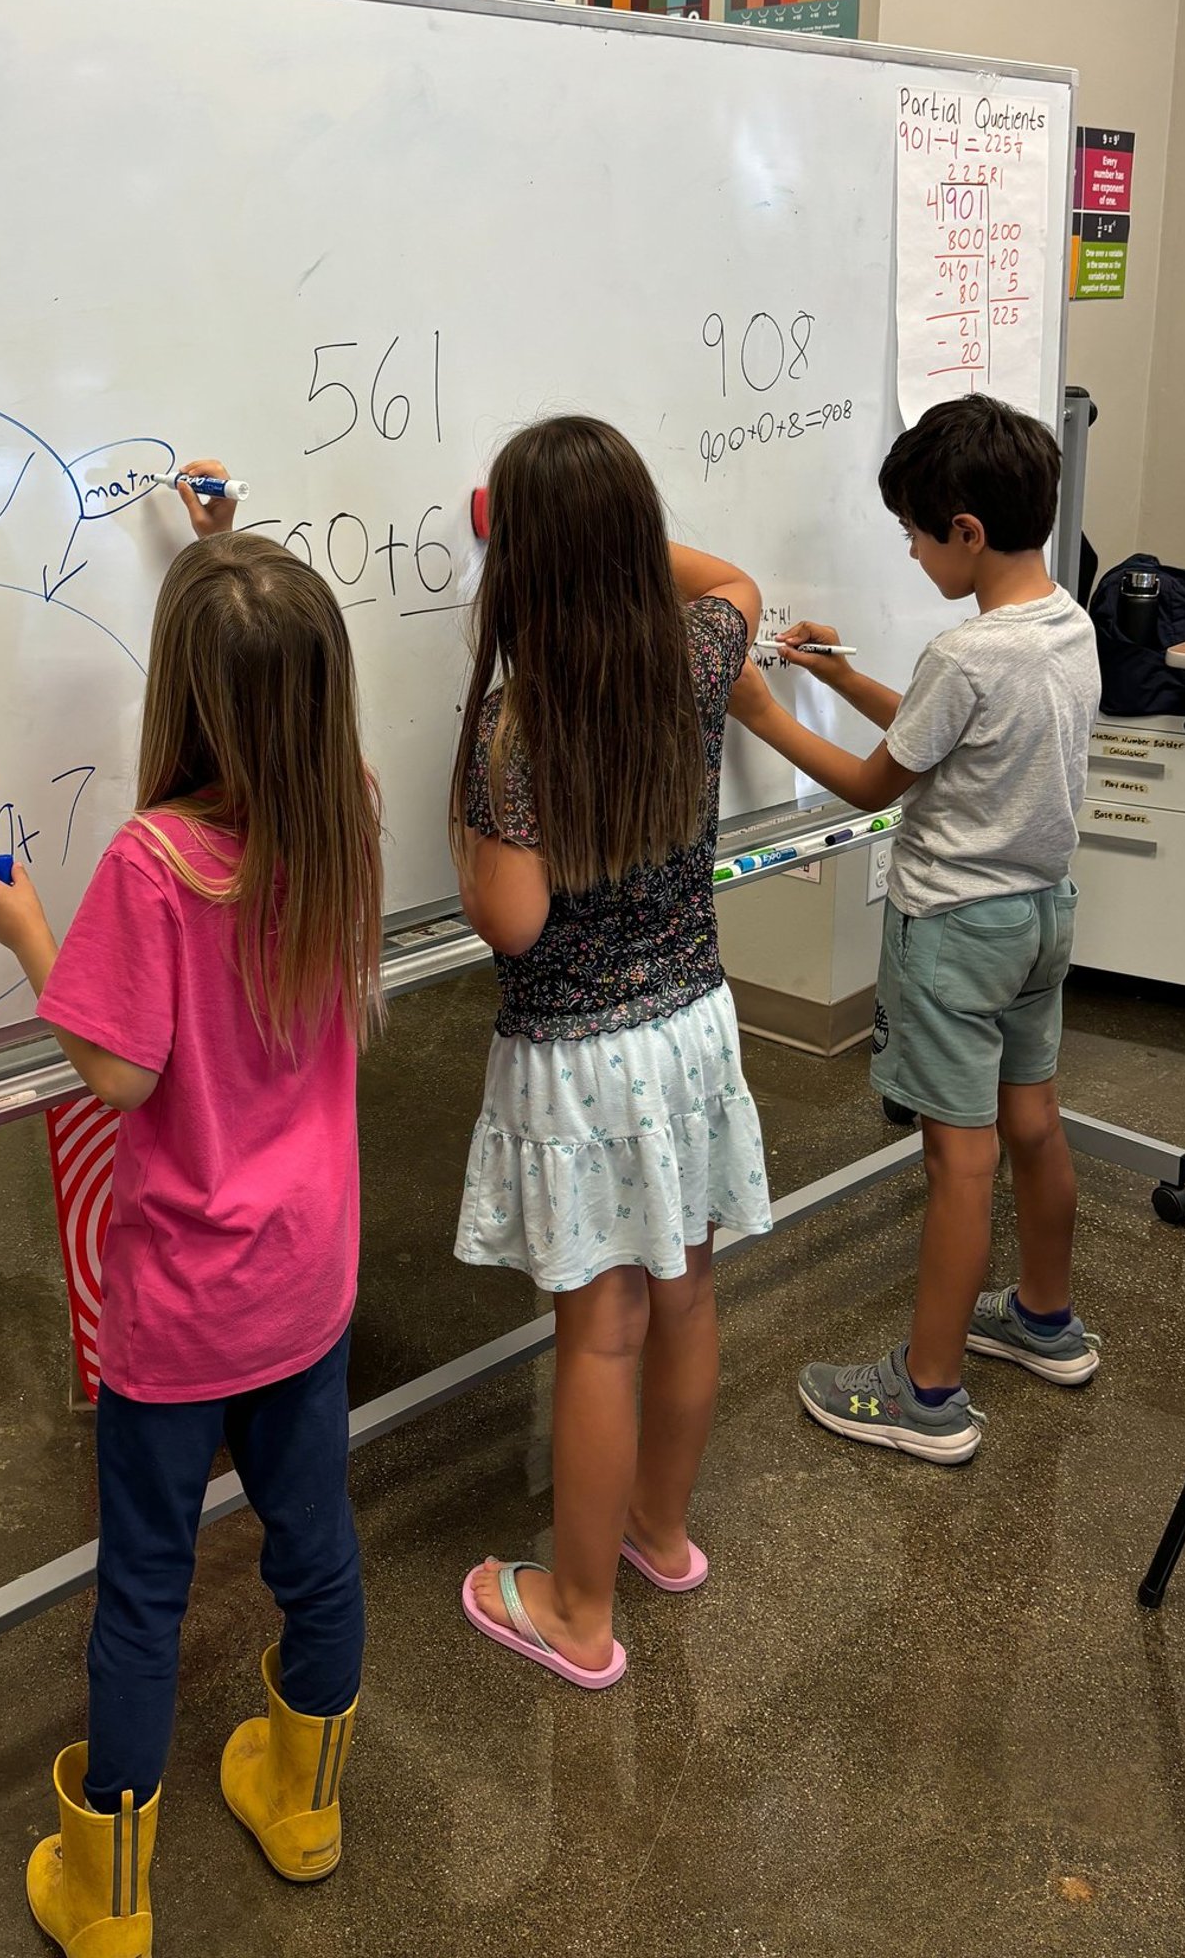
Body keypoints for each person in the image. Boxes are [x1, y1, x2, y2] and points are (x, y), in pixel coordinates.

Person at [0, 468, 384, 1956]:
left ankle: (109, 1894)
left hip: (181, 1308)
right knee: (312, 1542)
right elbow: (282, 674)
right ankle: (307, 1801)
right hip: (305, 1281)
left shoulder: (147, 870)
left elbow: (117, 1073)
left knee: (145, 1583)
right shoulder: (345, 814)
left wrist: (29, 934)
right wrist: (228, 558)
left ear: (183, 700)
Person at [450, 415, 771, 1687]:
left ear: (519, 565)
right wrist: (626, 546)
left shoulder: (519, 730)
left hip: (582, 1057)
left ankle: (578, 1614)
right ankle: (658, 1532)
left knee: (600, 1333)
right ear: (639, 545)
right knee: (684, 1291)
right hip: (692, 1025)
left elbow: (514, 924)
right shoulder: (691, 655)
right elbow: (738, 582)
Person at [728, 393, 1102, 1465]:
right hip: (1039, 917)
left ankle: (928, 1395)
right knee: (1032, 1123)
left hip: (951, 935)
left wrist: (766, 715)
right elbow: (958, 735)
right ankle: (1044, 1320)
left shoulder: (964, 654)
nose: (909, 549)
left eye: (915, 532)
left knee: (959, 1160)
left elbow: (870, 786)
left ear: (967, 533)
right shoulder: (1061, 625)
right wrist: (842, 674)